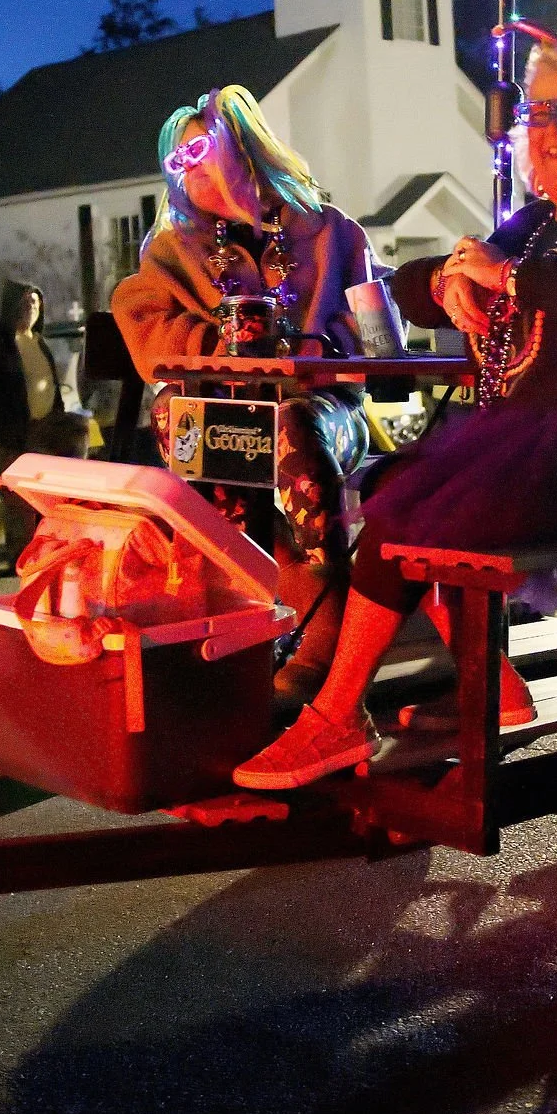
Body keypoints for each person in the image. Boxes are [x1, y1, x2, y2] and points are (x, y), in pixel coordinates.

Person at [229, 12, 557, 790]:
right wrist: (448, 279)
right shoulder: (548, 219)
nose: (550, 133)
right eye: (540, 115)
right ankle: (488, 688)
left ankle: (335, 717)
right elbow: (412, 287)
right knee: (396, 486)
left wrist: (508, 280)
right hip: (542, 442)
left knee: (413, 506)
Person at [112, 84, 376, 694]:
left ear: (243, 138)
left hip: (318, 413)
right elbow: (144, 323)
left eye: (199, 146)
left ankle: (322, 619)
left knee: (292, 428)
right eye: (176, 161)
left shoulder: (330, 232)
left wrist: (314, 348)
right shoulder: (174, 249)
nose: (189, 167)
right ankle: (267, 610)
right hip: (224, 415)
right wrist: (223, 348)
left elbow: (373, 320)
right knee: (186, 421)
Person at [0, 280, 90, 560]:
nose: (31, 308)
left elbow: (49, 384)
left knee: (47, 497)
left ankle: (46, 553)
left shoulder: (38, 342)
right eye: (25, 302)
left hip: (42, 428)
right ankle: (22, 560)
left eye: (35, 302)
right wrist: (2, 435)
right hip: (8, 437)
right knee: (19, 503)